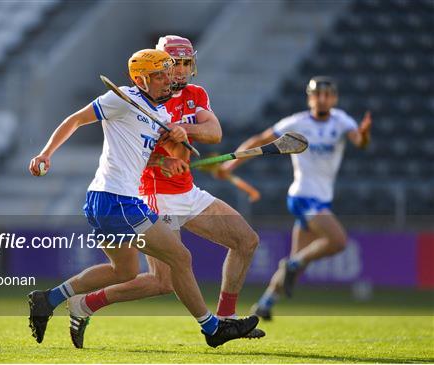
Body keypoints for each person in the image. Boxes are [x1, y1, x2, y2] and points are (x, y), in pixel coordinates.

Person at [27, 48, 259, 348]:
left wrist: (165, 162)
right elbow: (75, 120)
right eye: (158, 75)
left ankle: (48, 299)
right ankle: (213, 328)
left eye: (168, 73)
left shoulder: (160, 115)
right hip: (117, 199)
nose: (167, 80)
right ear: (140, 79)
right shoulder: (121, 98)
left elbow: (138, 155)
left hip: (108, 200)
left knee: (123, 272)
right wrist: (46, 153)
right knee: (180, 257)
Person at [219, 76, 372, 320]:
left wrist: (363, 136)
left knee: (298, 260)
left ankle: (265, 303)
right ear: (310, 97)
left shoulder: (342, 121)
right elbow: (260, 140)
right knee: (338, 241)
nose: (322, 99)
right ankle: (292, 265)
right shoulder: (297, 122)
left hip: (322, 199)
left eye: (327, 94)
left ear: (334, 98)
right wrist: (231, 165)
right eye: (317, 94)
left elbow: (359, 141)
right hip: (304, 196)